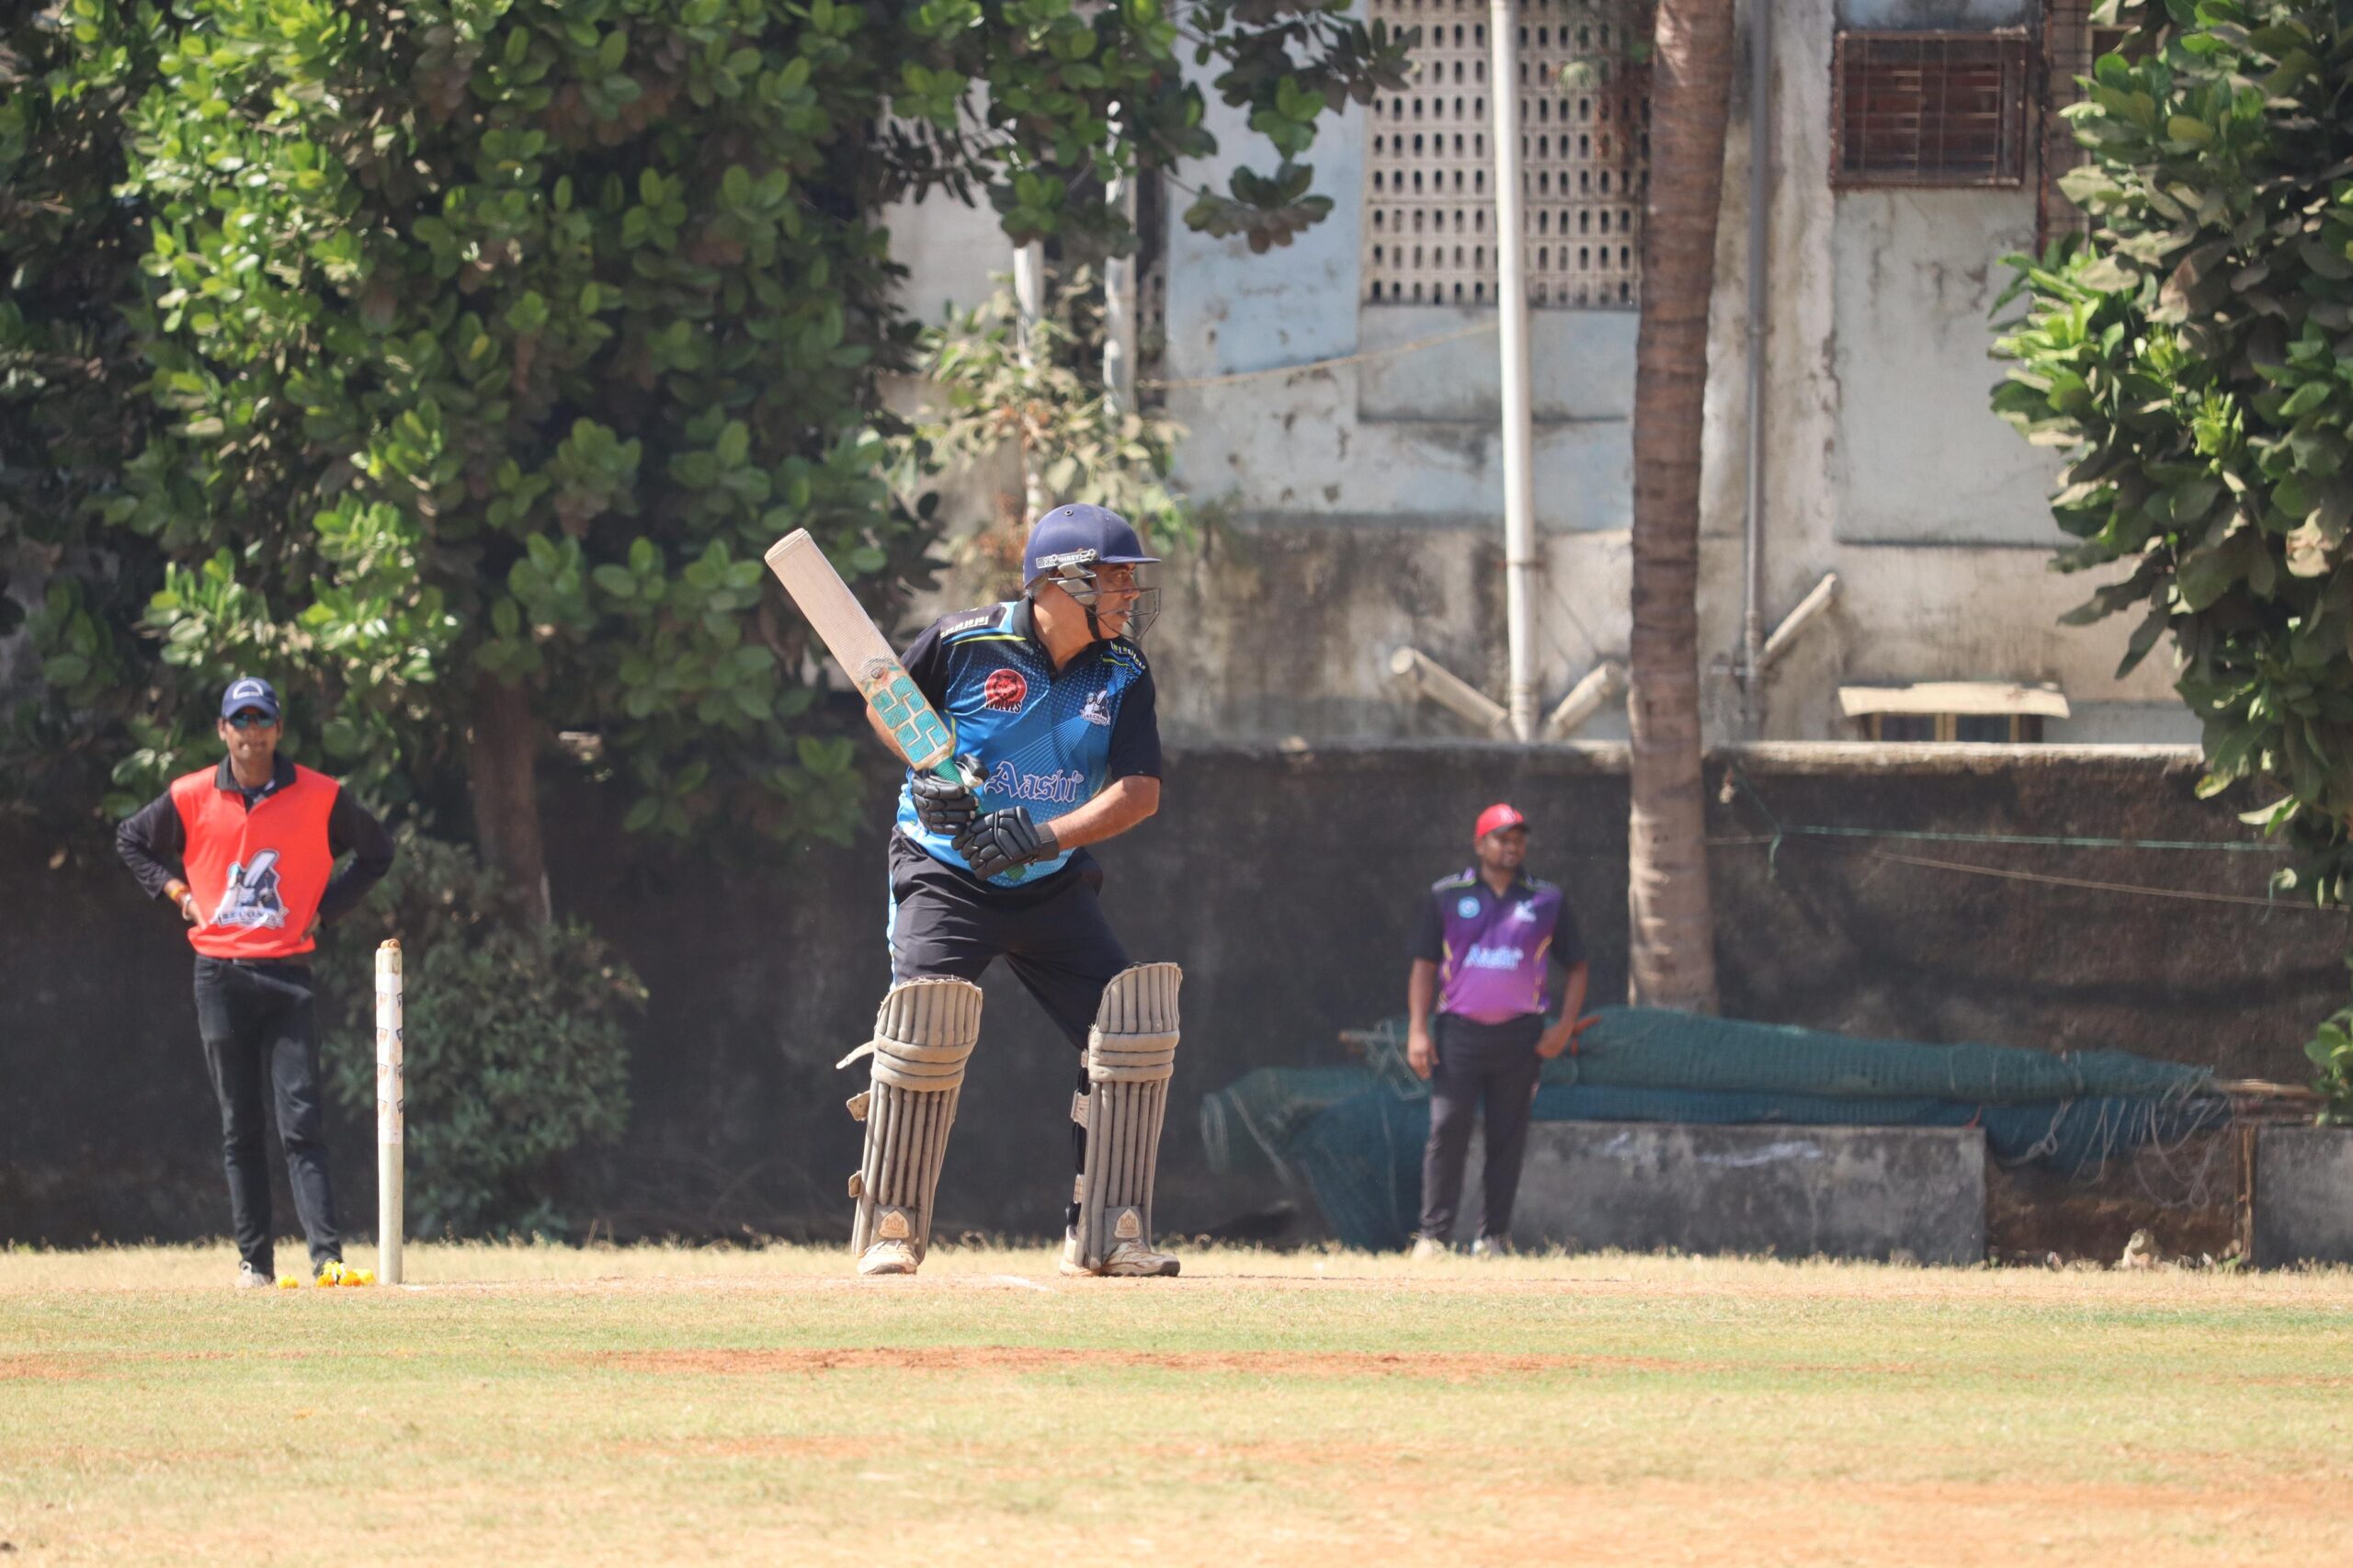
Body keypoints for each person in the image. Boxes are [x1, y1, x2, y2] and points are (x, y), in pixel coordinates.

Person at [839, 504, 1183, 1279]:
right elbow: (887, 703)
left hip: (1050, 882)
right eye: (1114, 577)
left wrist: (1045, 838)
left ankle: (1110, 1234)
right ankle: (892, 1226)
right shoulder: (963, 640)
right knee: (924, 1027)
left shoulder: (1124, 670)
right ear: (1059, 583)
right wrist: (928, 769)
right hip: (943, 871)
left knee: (1127, 1030)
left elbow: (1139, 792)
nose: (1130, 593)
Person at [115, 676, 394, 1288]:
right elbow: (131, 839)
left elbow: (377, 851)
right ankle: (255, 1265)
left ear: (278, 729)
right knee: (239, 1126)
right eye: (239, 721)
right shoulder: (191, 795)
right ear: (222, 730)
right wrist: (180, 895)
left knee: (302, 1120)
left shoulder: (320, 794)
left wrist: (326, 909)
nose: (251, 732)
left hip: (289, 971)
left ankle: (327, 1261)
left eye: (261, 720)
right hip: (219, 974)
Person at [1404, 802, 1588, 1258]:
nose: (1512, 846)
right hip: (1459, 1034)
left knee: (1507, 1136)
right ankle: (1433, 1238)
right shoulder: (1447, 895)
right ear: (1479, 843)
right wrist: (1418, 1030)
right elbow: (1424, 965)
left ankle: (1493, 1238)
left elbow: (1578, 965)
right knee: (1447, 1129)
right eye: (1502, 838)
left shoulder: (1546, 900)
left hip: (1521, 1036)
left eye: (1518, 839)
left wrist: (1564, 1026)